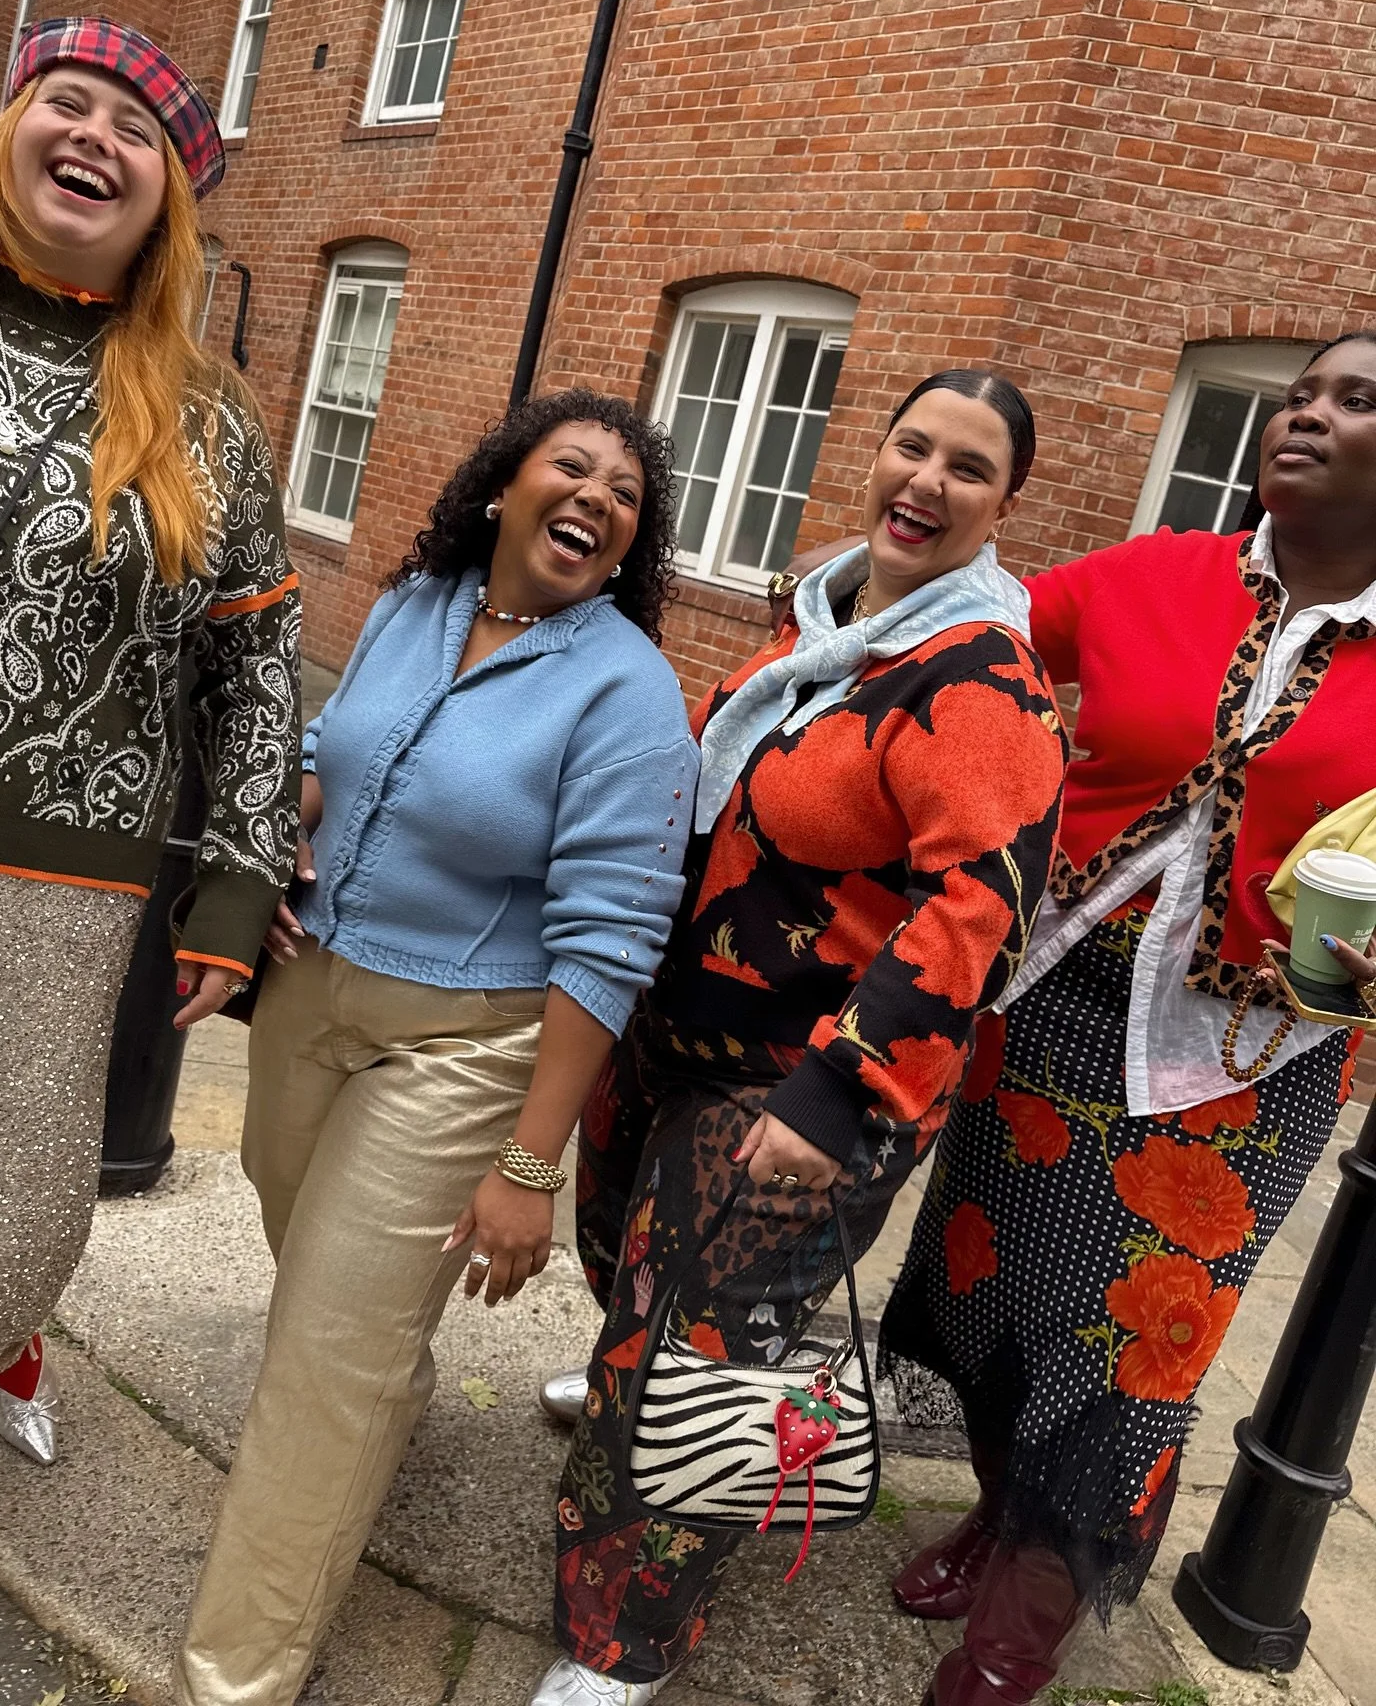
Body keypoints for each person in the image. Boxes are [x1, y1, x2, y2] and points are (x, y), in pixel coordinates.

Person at [532, 370, 1069, 1706]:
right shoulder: (819, 627)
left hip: (801, 1081)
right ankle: (634, 1375)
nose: (925, 482)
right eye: (910, 446)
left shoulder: (983, 679)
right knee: (627, 1268)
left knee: (703, 1356)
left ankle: (622, 1642)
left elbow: (978, 906)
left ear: (1007, 503)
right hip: (678, 1034)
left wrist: (844, 1096)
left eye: (966, 466)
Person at [173, 388, 701, 1706]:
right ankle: (373, 1409)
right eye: (570, 467)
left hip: (466, 1045)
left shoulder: (628, 695)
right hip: (310, 999)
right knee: (312, 1266)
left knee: (325, 1358)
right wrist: (283, 839)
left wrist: (530, 1169)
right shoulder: (419, 601)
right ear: (506, 483)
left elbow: (609, 943)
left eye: (624, 493)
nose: (595, 497)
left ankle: (229, 1676)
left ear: (633, 541)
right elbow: (333, 749)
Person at [879, 334, 1376, 1706]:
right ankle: (996, 1521)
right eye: (1305, 392)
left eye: (1357, 400)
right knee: (988, 1302)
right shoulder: (1161, 575)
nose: (1310, 414)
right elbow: (972, 644)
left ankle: (1015, 1640)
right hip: (1044, 1005)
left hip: (1245, 1062)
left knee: (1128, 1368)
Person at [0, 17, 301, 1468]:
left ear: (168, 198)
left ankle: (2, 1339)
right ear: (4, 133)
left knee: (8, 1196)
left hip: (65, 880)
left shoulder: (210, 421)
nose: (93, 136)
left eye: (132, 130)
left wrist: (237, 884)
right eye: (65, 104)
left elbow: (261, 669)